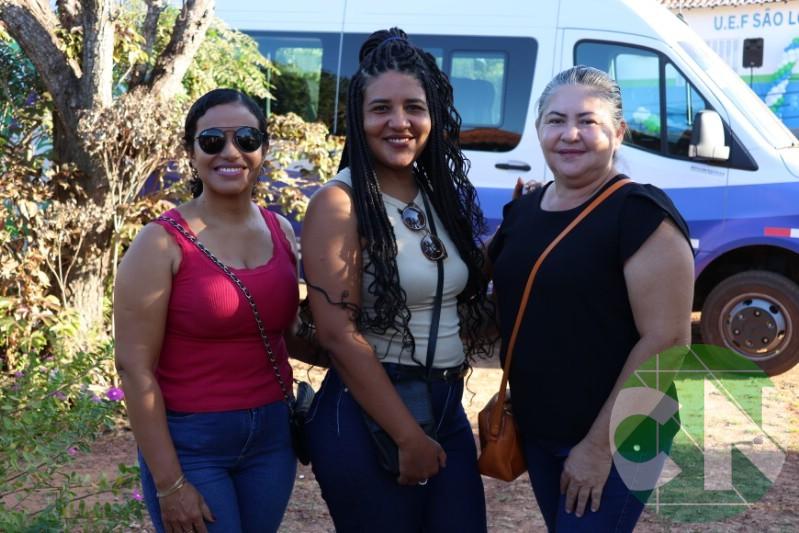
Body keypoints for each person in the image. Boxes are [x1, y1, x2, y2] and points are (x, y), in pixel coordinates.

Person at [300, 28, 494, 532]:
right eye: (381, 109)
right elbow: (338, 335)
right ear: (358, 119)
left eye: (414, 107)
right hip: (370, 413)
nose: (400, 122)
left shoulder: (435, 194)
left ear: (434, 115)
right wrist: (406, 435)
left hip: (445, 407)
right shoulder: (339, 203)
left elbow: (446, 280)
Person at [487, 65, 695, 532]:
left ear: (618, 133)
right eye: (556, 120)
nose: (570, 134)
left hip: (621, 436)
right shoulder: (524, 211)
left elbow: (667, 341)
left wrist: (599, 447)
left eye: (588, 121)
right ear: (538, 129)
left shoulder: (640, 214)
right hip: (540, 427)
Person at [114, 88, 304, 533]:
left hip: (273, 439)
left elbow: (290, 333)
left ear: (264, 148)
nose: (231, 152)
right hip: (192, 442)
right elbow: (133, 368)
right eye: (213, 140)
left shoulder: (281, 230)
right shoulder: (160, 241)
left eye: (247, 139)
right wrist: (169, 483)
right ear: (191, 152)